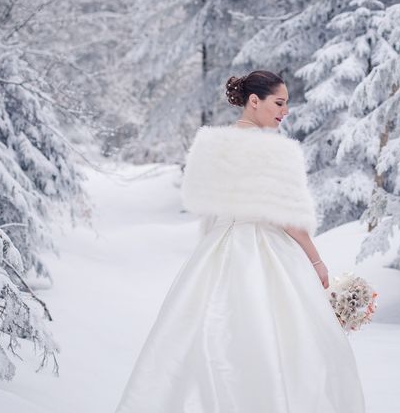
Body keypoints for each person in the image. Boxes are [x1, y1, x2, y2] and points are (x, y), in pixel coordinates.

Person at [114, 70, 366, 413]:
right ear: (254, 101)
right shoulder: (275, 150)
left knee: (202, 342)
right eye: (279, 103)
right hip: (267, 250)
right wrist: (316, 261)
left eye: (287, 104)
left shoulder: (210, 145)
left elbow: (208, 210)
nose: (285, 111)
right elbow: (287, 218)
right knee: (294, 346)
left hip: (217, 249)